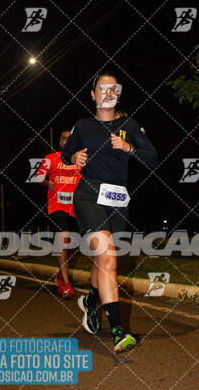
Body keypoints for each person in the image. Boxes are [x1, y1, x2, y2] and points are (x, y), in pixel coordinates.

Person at [61, 71, 158, 353]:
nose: (106, 92)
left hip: (118, 198)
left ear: (118, 94)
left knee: (102, 261)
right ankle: (118, 332)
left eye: (112, 88)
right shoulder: (82, 125)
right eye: (101, 88)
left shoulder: (129, 124)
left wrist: (129, 147)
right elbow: (67, 152)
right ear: (93, 95)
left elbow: (152, 157)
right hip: (89, 193)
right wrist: (74, 157)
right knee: (108, 257)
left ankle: (92, 301)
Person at [36, 130, 82, 298]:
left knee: (72, 243)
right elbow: (39, 177)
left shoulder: (81, 159)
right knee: (63, 239)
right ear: (60, 142)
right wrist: (49, 183)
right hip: (57, 205)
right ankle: (66, 284)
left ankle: (60, 274)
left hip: (76, 206)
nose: (67, 141)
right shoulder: (51, 158)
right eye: (64, 139)